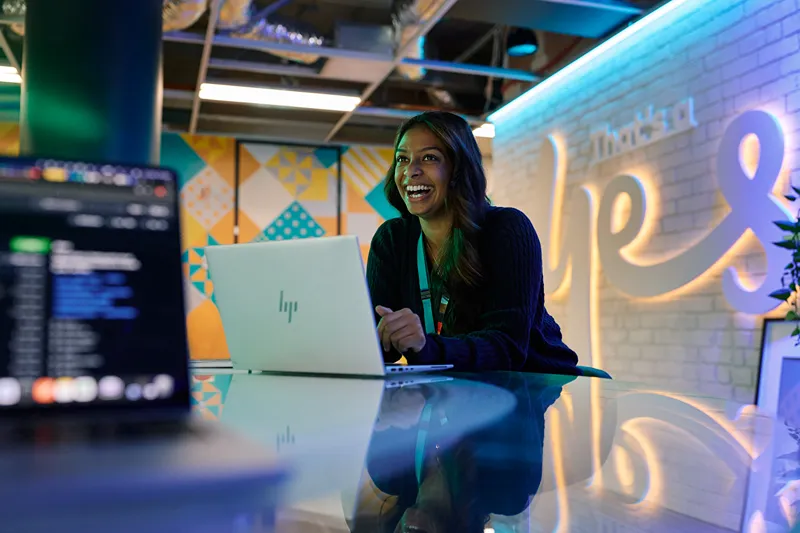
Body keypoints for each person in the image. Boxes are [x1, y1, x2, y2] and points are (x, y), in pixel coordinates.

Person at [366, 111, 578, 373]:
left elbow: (507, 348)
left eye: (430, 158)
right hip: (459, 392)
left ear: (458, 169)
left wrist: (426, 347)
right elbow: (379, 346)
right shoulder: (392, 240)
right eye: (402, 159)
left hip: (535, 390)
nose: (411, 171)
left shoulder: (507, 229)